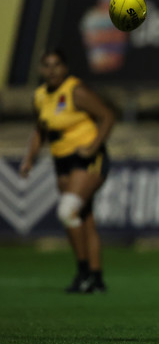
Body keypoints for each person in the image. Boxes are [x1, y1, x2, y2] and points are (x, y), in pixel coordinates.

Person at [20, 49, 115, 293]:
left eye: (56, 65)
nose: (51, 70)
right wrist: (29, 159)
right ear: (41, 70)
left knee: (67, 210)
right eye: (47, 66)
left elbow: (107, 116)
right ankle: (96, 278)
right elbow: (40, 130)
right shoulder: (40, 96)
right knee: (84, 218)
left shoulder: (75, 90)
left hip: (87, 159)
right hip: (62, 162)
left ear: (65, 68)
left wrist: (93, 147)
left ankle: (83, 273)